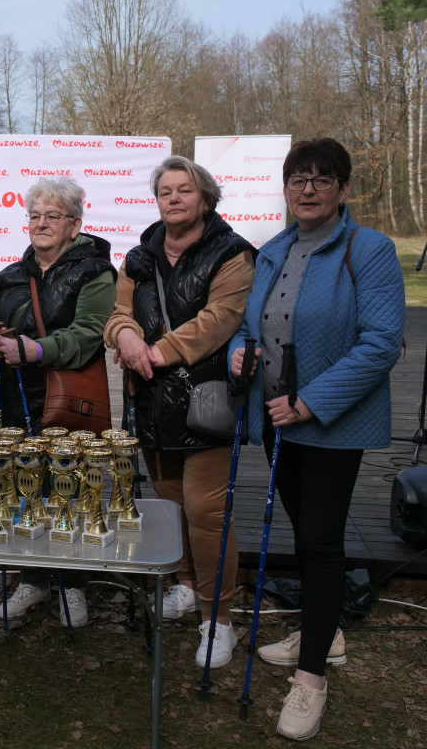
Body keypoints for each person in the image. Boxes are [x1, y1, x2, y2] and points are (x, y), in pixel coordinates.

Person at [229, 138, 404, 740]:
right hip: (279, 421)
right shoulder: (273, 250)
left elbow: (381, 343)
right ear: (284, 189)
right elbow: (248, 328)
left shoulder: (370, 249)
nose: (308, 189)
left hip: (329, 423)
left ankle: (311, 681)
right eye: (298, 179)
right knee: (305, 532)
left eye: (322, 180)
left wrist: (310, 403)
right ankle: (323, 633)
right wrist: (238, 356)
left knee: (324, 540)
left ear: (343, 190)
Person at [104, 155, 255, 667]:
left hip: (206, 403)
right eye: (165, 190)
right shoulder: (138, 258)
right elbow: (120, 314)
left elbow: (219, 319)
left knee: (208, 514)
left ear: (206, 199)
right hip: (150, 404)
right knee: (169, 508)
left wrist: (155, 352)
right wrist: (125, 336)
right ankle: (186, 585)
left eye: (184, 190)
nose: (173, 198)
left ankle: (219, 619)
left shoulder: (232, 254)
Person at [0, 177, 116, 628]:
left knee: (68, 492)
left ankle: (73, 584)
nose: (42, 224)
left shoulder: (95, 271)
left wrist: (36, 350)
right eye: (35, 216)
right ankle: (33, 578)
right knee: (20, 491)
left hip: (65, 405)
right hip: (11, 405)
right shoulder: (9, 275)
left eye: (53, 216)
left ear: (75, 225)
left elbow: (92, 331)